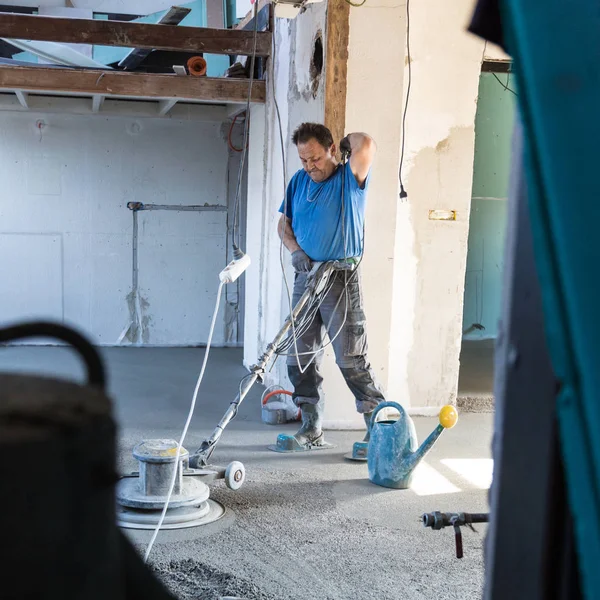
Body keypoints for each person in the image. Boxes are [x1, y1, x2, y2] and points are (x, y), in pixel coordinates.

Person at [277, 122, 386, 448]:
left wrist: (344, 141)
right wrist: (295, 251)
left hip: (340, 277)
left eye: (315, 158)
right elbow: (283, 224)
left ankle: (378, 427)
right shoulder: (299, 182)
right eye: (303, 160)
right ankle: (311, 427)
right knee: (298, 357)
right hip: (306, 276)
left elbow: (365, 142)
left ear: (332, 151)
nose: (310, 166)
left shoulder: (349, 180)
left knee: (350, 358)